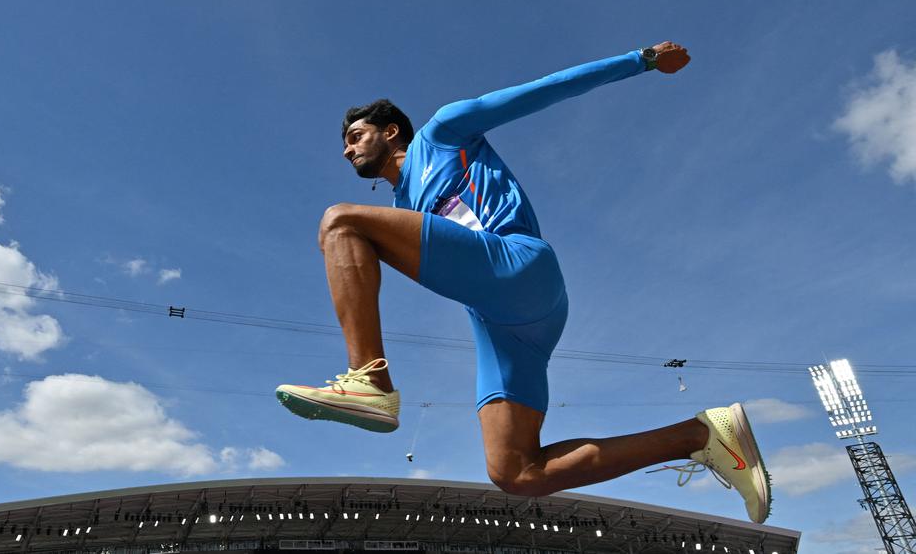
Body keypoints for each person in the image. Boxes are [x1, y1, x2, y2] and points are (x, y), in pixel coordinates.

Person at [275, 43, 772, 523]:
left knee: (340, 221)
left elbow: (545, 89)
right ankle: (704, 435)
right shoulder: (402, 209)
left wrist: (640, 61)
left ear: (390, 131)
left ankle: (371, 380)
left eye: (355, 136)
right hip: (505, 324)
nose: (346, 149)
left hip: (521, 268)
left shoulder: (444, 132)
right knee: (515, 472)